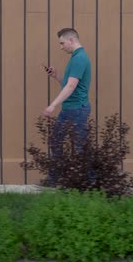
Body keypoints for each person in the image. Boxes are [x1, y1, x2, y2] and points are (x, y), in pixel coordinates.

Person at [43, 28, 92, 184]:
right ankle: (55, 179)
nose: (61, 46)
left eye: (62, 43)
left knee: (80, 147)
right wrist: (56, 76)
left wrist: (53, 105)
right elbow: (69, 84)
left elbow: (71, 87)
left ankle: (91, 182)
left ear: (72, 40)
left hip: (77, 109)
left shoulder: (79, 58)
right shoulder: (76, 57)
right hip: (70, 109)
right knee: (56, 141)